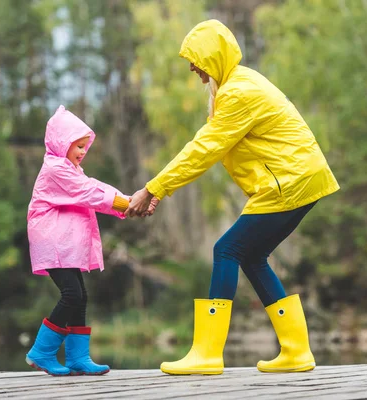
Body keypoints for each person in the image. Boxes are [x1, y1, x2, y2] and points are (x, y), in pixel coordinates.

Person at [126, 19, 340, 375]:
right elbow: (206, 138)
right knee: (252, 256)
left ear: (215, 56)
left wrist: (154, 187)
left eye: (197, 59)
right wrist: (157, 189)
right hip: (297, 179)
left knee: (226, 249)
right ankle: (296, 351)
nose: (193, 67)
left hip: (289, 181)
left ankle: (208, 353)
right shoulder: (234, 85)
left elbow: (204, 149)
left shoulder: (239, 92)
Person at [26, 105, 130, 376]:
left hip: (65, 243)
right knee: (71, 294)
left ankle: (77, 357)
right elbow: (88, 193)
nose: (83, 152)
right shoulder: (55, 169)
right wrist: (126, 203)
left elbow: (94, 189)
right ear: (63, 143)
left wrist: (126, 203)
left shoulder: (70, 169)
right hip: (52, 241)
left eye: (85, 147)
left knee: (80, 296)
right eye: (79, 146)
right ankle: (42, 351)